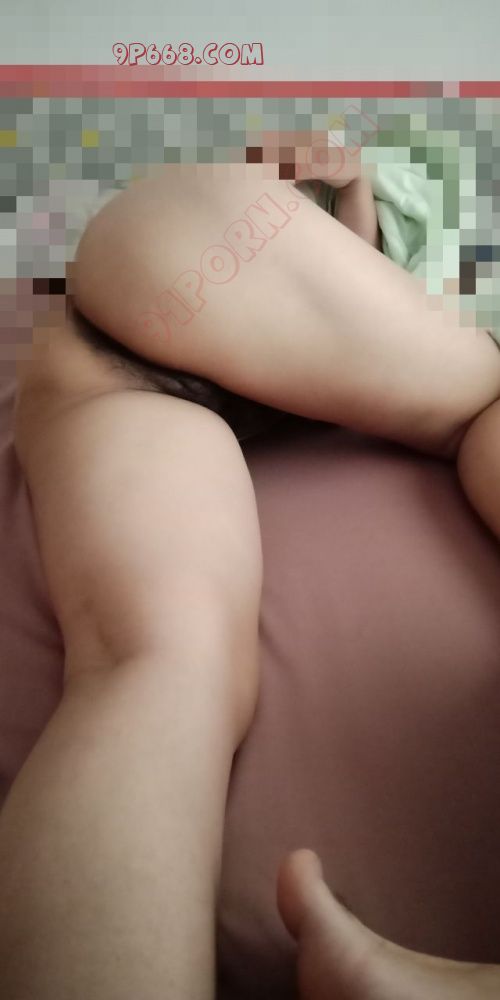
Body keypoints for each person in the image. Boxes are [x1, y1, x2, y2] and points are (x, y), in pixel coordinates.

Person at [2, 146, 500, 1000]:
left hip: (124, 330)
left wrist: (338, 196)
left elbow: (311, 184)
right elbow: (315, 176)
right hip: (207, 261)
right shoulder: (440, 204)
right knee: (486, 399)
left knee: (158, 665)